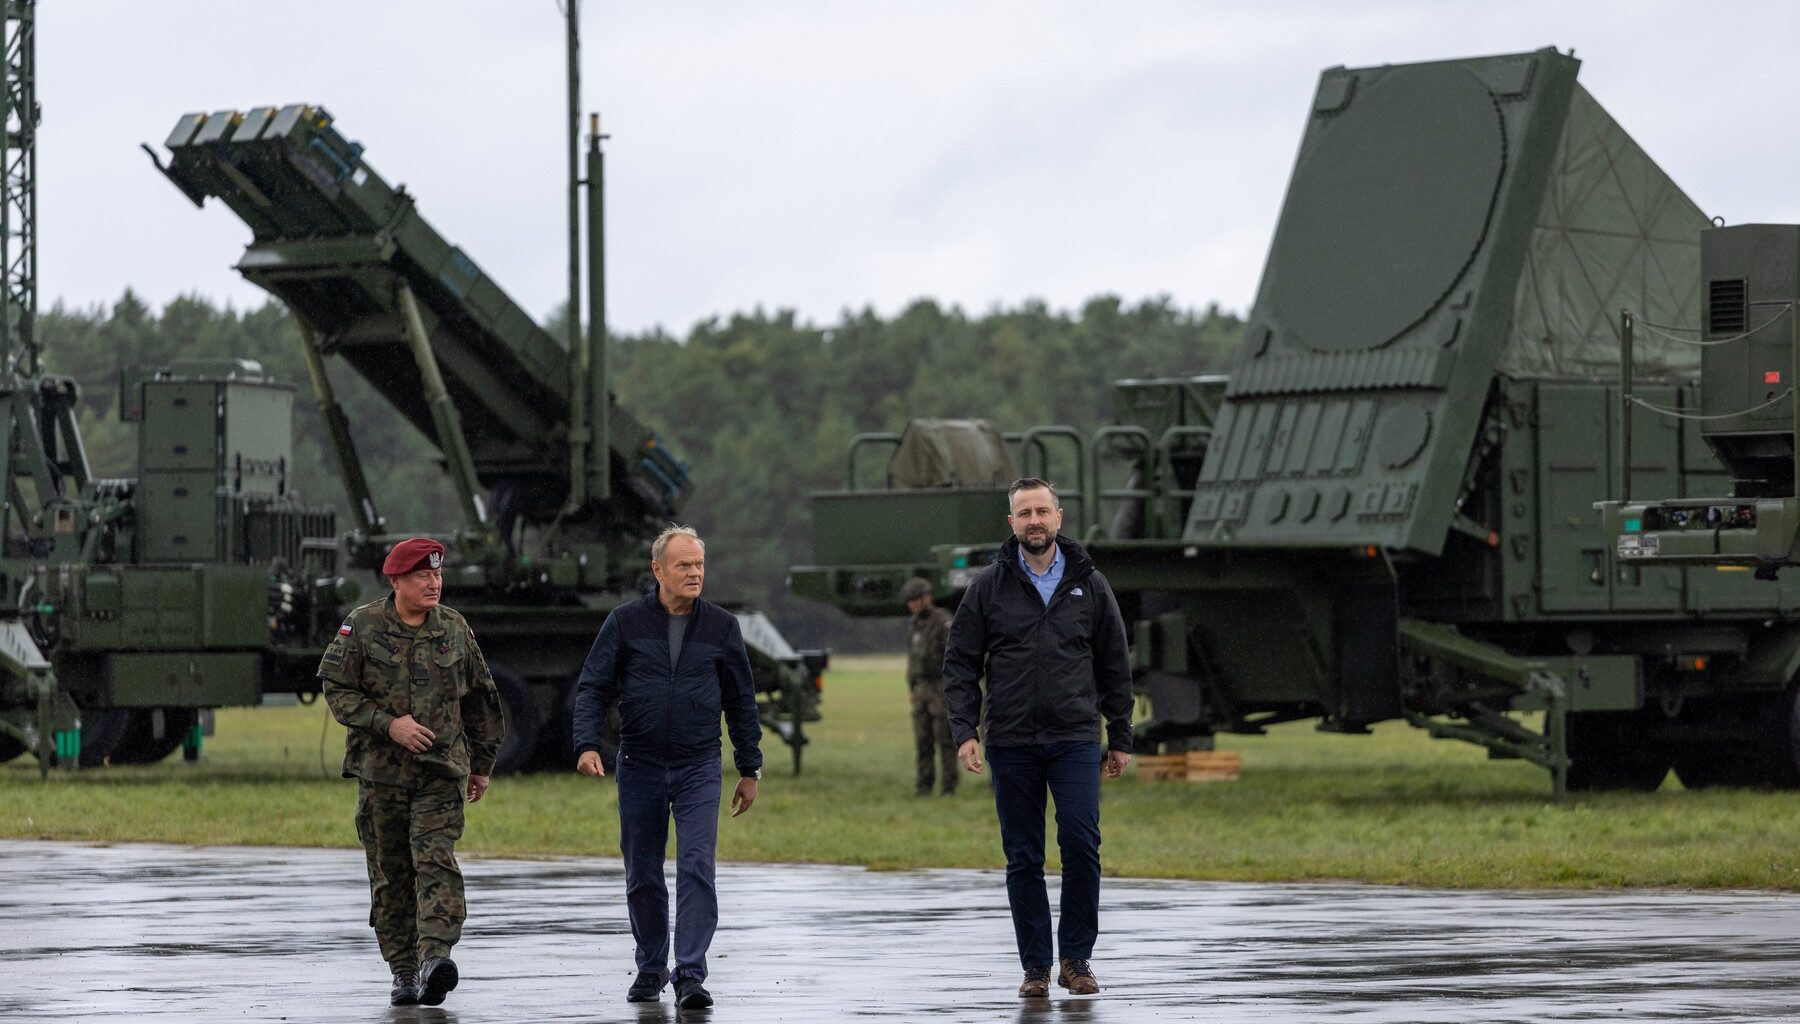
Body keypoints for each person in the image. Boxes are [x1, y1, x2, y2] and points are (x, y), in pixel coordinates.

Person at [942, 478, 1134, 999]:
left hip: (1074, 737)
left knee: (1080, 843)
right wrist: (966, 732)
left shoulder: (1089, 584)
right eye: (1024, 512)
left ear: (1058, 517)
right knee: (1023, 856)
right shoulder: (988, 585)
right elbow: (959, 662)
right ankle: (1036, 968)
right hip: (1010, 740)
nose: (1034, 520)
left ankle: (1077, 960)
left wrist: (1120, 736)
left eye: (1042, 511)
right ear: (1011, 523)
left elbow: (1114, 663)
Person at [572, 525, 764, 1010]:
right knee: (643, 872)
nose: (694, 573)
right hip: (639, 765)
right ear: (658, 570)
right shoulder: (624, 622)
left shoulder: (722, 627)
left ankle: (691, 976)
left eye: (699, 564)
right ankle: (652, 966)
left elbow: (742, 701)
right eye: (683, 565)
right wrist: (587, 744)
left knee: (698, 867)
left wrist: (749, 767)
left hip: (700, 765)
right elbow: (594, 686)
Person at [319, 537, 506, 1008]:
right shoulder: (361, 627)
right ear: (397, 580)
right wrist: (389, 725)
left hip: (441, 773)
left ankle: (435, 958)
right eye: (423, 575)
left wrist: (481, 765)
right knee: (391, 874)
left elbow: (482, 698)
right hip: (381, 775)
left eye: (438, 575)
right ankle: (403, 970)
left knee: (436, 861)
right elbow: (337, 689)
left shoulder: (455, 629)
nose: (433, 583)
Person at [902, 576, 957, 796]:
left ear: (928, 598)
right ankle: (924, 786)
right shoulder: (914, 624)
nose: (914, 605)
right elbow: (912, 659)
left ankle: (948, 786)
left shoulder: (943, 621)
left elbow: (954, 657)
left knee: (945, 740)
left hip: (940, 687)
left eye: (917, 599)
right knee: (922, 740)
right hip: (920, 689)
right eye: (910, 601)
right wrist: (912, 688)